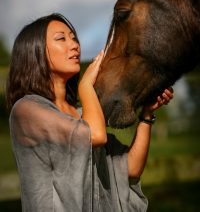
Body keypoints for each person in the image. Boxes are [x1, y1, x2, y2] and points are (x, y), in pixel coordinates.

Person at [6, 13, 173, 212]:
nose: (75, 45)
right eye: (61, 38)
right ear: (36, 52)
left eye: (74, 37)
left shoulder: (83, 114)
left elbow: (131, 168)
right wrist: (86, 86)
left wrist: (146, 115)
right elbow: (96, 135)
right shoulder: (26, 110)